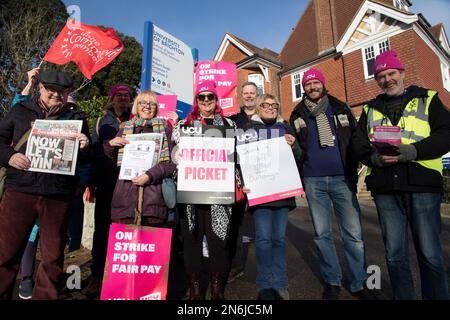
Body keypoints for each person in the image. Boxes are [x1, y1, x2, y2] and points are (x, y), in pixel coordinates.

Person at [353, 50, 450, 300]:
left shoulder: (428, 99)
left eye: (391, 73)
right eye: (381, 76)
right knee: (395, 255)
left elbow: (445, 134)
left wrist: (413, 151)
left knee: (429, 254)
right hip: (386, 188)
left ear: (402, 73)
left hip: (422, 185)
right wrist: (373, 158)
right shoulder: (370, 108)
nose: (387, 79)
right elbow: (358, 143)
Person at [0, 69, 91, 300]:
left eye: (63, 92)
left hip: (57, 195)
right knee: (6, 252)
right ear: (40, 88)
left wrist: (85, 144)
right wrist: (9, 156)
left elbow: (86, 159)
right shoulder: (20, 111)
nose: (57, 96)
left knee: (52, 256)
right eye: (52, 90)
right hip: (20, 191)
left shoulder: (76, 118)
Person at [289, 69, 368, 300]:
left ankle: (359, 282)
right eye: (308, 84)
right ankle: (332, 280)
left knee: (353, 233)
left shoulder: (341, 107)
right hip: (313, 180)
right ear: (304, 88)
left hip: (342, 178)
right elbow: (296, 150)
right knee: (322, 233)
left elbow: (356, 140)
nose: (312, 87)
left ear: (322, 84)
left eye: (316, 82)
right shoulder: (297, 114)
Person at [173, 80, 236, 300]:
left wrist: (238, 181)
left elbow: (235, 157)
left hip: (218, 192)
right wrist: (176, 156)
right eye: (202, 97)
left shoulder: (228, 125)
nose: (206, 101)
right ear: (196, 101)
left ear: (216, 100)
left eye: (211, 97)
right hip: (191, 192)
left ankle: (217, 288)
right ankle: (195, 288)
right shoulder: (185, 124)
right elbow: (174, 152)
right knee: (191, 240)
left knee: (218, 240)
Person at [241, 93, 302, 300]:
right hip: (260, 195)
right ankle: (265, 285)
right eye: (265, 105)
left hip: (283, 194)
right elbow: (239, 162)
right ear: (258, 108)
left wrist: (293, 145)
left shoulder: (285, 127)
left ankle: (281, 283)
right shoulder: (248, 130)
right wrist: (243, 184)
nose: (270, 107)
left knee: (279, 240)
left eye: (273, 104)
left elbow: (300, 157)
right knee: (264, 240)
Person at [86, 84, 133, 298]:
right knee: (102, 231)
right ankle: (97, 276)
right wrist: (109, 143)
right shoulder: (100, 121)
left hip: (131, 183)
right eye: (119, 95)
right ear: (112, 98)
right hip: (107, 184)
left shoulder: (137, 118)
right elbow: (92, 152)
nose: (123, 99)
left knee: (127, 230)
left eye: (127, 96)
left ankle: (122, 276)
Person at [105, 90, 177, 227]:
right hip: (124, 201)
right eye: (143, 103)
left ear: (156, 108)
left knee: (151, 246)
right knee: (125, 247)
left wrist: (150, 175)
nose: (147, 106)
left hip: (153, 201)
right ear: (136, 107)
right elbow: (110, 162)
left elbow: (172, 163)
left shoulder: (166, 131)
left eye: (152, 104)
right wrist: (110, 144)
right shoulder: (124, 129)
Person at [227, 82, 259, 284]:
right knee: (236, 223)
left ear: (257, 95)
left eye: (252, 93)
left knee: (263, 222)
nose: (248, 96)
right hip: (238, 178)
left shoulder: (266, 117)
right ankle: (236, 265)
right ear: (241, 96)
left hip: (262, 175)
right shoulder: (232, 121)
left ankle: (267, 269)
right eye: (245, 93)